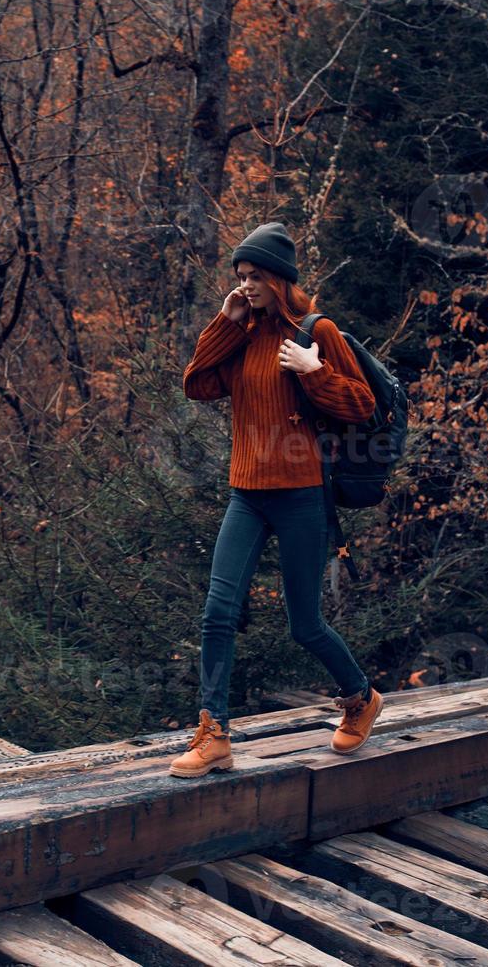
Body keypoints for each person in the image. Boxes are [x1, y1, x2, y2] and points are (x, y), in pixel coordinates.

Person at [169, 221, 383, 778]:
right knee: (218, 612)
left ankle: (360, 697)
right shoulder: (240, 334)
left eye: (255, 276)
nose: (246, 285)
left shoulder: (318, 331)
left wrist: (314, 373)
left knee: (305, 624)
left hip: (301, 495)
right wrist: (225, 322)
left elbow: (361, 405)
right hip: (247, 493)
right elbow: (196, 384)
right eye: (240, 276)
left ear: (280, 279)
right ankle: (214, 732)